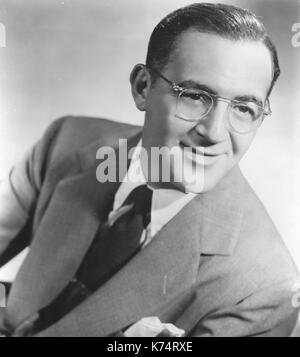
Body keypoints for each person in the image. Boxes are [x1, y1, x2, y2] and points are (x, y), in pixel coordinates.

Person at [0, 2, 299, 337]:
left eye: (244, 108)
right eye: (196, 96)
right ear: (143, 87)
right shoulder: (65, 142)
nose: (214, 133)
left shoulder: (261, 288)